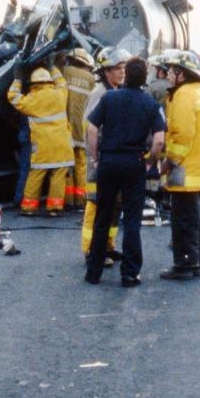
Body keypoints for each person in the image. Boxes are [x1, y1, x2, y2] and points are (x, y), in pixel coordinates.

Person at [85, 57, 166, 287]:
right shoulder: (151, 104)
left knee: (103, 217)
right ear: (145, 77)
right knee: (132, 220)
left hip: (109, 162)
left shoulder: (109, 98)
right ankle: (130, 273)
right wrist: (150, 162)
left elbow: (92, 128)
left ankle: (94, 272)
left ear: (126, 75)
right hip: (134, 164)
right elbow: (159, 140)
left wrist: (95, 157)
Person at [159, 51, 200, 280]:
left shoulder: (183, 96)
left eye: (172, 71)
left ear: (181, 74)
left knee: (183, 220)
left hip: (186, 171)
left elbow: (181, 134)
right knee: (197, 221)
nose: (168, 75)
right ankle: (195, 261)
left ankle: (184, 265)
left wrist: (169, 161)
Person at [80, 47, 130, 261]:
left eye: (124, 68)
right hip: (98, 160)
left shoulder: (115, 91)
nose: (122, 72)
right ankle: (91, 250)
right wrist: (96, 157)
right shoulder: (99, 94)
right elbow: (89, 128)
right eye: (117, 68)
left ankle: (107, 246)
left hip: (111, 160)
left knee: (114, 205)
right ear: (105, 71)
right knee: (96, 204)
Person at [7, 60, 74, 216]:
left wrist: (17, 78)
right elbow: (62, 82)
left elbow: (13, 97)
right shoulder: (60, 94)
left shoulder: (31, 100)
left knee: (36, 174)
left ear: (32, 83)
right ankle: (54, 209)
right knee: (58, 176)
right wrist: (52, 65)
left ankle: (29, 208)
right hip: (62, 144)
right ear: (49, 81)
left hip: (42, 146)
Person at [61, 48, 95, 210]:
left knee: (67, 164)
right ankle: (81, 200)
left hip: (64, 127)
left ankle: (67, 200)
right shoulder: (90, 78)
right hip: (82, 127)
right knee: (81, 164)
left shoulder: (63, 71)